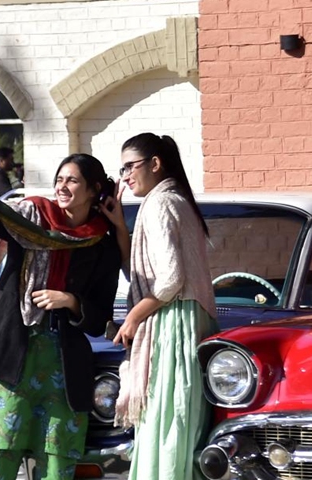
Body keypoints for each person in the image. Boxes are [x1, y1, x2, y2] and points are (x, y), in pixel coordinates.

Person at [0, 143, 121, 480]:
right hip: (11, 355)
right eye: (59, 179)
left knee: (58, 458)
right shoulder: (30, 218)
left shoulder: (101, 243)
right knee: (0, 455)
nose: (62, 186)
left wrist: (71, 301)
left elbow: (101, 318)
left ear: (94, 190)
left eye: (73, 181)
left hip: (63, 367)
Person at [105, 133, 218, 480]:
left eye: (130, 166)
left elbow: (169, 280)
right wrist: (120, 227)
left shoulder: (160, 203)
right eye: (121, 168)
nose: (124, 176)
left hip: (172, 323)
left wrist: (135, 316)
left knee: (166, 422)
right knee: (181, 424)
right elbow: (140, 273)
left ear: (155, 164)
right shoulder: (175, 200)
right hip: (185, 319)